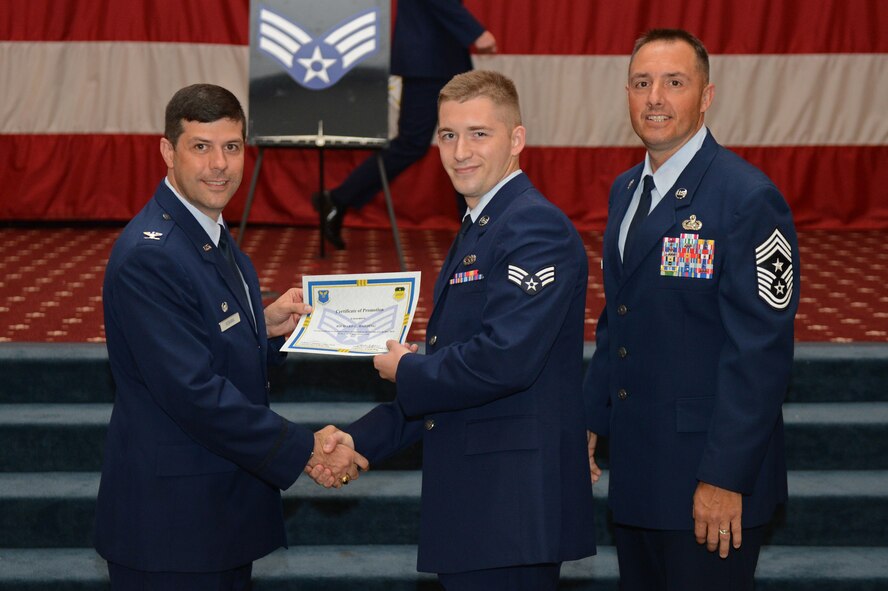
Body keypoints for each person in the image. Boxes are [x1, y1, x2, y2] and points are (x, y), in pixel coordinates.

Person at [313, 70, 596, 590]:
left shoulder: (534, 227)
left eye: (478, 134)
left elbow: (502, 360)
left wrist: (407, 368)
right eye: (448, 135)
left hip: (511, 512)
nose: (460, 151)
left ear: (516, 140)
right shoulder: (483, 224)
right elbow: (454, 373)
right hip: (482, 509)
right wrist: (361, 439)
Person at [94, 83, 368, 590]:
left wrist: (264, 330)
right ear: (167, 152)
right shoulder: (151, 254)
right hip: (171, 529)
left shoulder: (210, 234)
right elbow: (194, 392)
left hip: (211, 518)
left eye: (232, 147)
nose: (219, 164)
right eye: (201, 146)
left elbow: (204, 343)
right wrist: (303, 447)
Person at [583, 29, 800, 590]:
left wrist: (725, 478)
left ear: (705, 97)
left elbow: (761, 353)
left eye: (674, 83)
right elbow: (619, 319)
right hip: (639, 475)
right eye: (642, 83)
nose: (655, 97)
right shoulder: (626, 190)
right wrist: (590, 419)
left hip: (709, 482)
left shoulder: (747, 198)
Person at [313, 0, 497, 249]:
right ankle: (337, 198)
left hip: (437, 58)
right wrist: (477, 32)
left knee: (456, 143)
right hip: (429, 60)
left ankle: (473, 227)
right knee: (423, 143)